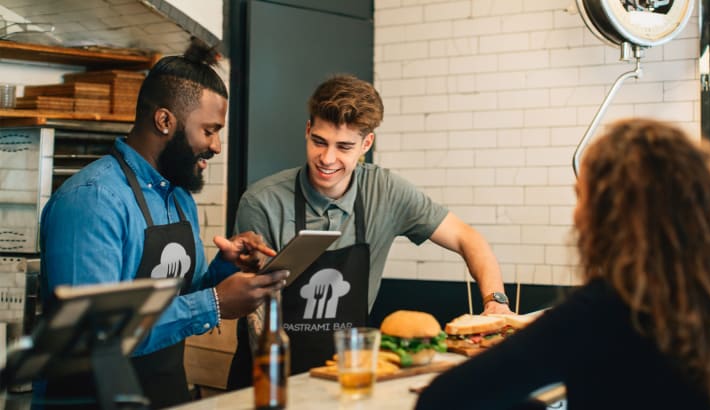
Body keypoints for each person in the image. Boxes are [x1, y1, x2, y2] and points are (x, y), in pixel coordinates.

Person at [415, 118, 710, 410]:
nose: (576, 214)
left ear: (610, 215)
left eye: (581, 197)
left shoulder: (602, 311)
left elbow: (442, 399)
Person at [38, 39, 287, 409]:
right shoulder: (92, 200)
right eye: (209, 130)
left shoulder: (179, 196)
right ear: (165, 120)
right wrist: (215, 303)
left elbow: (185, 295)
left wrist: (225, 269)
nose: (217, 146)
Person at [225, 74, 513, 382]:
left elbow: (467, 237)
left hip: (348, 375)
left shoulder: (386, 192)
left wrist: (496, 302)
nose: (327, 158)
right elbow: (253, 312)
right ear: (308, 131)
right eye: (319, 141)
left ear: (366, 144)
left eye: (344, 147)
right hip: (269, 376)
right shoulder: (262, 201)